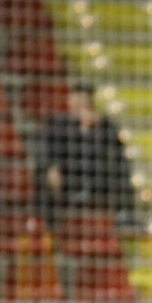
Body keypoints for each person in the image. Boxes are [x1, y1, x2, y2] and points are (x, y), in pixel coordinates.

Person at [35, 83, 134, 225]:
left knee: (121, 169)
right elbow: (44, 149)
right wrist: (51, 167)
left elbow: (118, 152)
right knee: (44, 178)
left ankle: (123, 216)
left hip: (97, 181)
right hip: (67, 179)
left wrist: (94, 129)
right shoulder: (56, 124)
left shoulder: (105, 125)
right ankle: (48, 222)